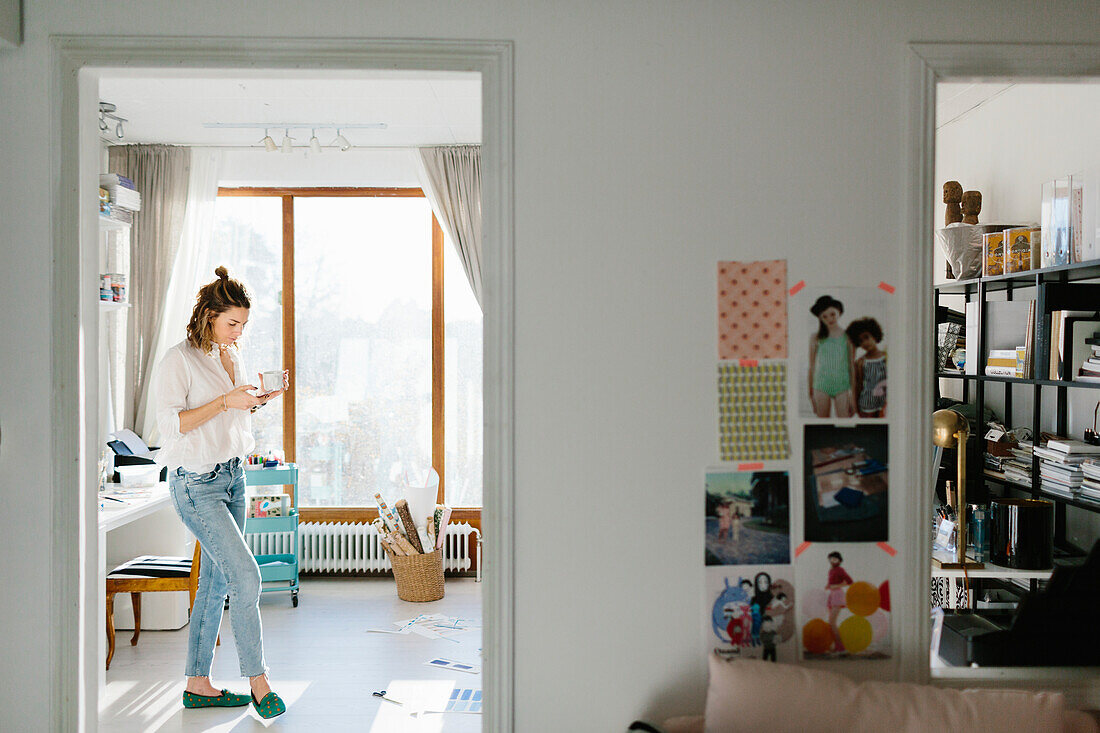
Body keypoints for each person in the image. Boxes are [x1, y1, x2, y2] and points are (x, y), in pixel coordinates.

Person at [155, 267, 288, 719]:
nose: (239, 332)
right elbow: (173, 424)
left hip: (233, 478)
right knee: (246, 577)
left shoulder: (229, 356)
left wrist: (254, 400)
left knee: (214, 582)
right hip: (195, 484)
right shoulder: (179, 359)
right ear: (209, 315)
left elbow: (232, 418)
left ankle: (198, 684)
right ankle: (259, 682)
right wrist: (226, 401)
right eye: (233, 323)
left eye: (244, 325)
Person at [808, 295, 855, 418]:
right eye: (825, 316)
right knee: (823, 424)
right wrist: (810, 393)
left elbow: (851, 366)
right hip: (821, 386)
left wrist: (853, 395)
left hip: (842, 386)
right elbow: (812, 366)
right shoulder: (816, 337)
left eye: (832, 314)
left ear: (839, 312)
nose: (830, 319)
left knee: (844, 422)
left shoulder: (848, 336)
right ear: (820, 318)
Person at [845, 316, 887, 418]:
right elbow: (857, 386)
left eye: (866, 337)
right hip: (867, 406)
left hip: (885, 405)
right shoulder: (860, 362)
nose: (865, 343)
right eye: (860, 341)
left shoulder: (886, 357)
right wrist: (856, 408)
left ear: (874, 335)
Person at [825, 551, 854, 654]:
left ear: (839, 560)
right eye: (831, 559)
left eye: (835, 559)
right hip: (832, 595)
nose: (833, 561)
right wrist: (828, 586)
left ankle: (841, 648)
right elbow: (831, 583)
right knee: (831, 623)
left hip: (837, 595)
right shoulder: (831, 570)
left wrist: (836, 586)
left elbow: (850, 581)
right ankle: (837, 647)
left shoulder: (840, 570)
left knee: (832, 622)